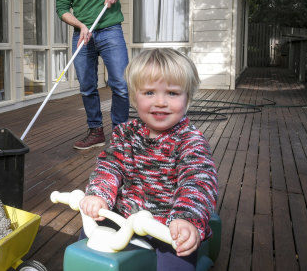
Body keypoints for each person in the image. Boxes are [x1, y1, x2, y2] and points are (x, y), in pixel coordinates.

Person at [79, 48, 218, 270]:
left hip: (167, 227)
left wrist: (186, 218)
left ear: (187, 98)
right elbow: (110, 166)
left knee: (176, 263)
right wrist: (98, 194)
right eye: (149, 93)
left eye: (172, 93)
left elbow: (198, 183)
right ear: (134, 98)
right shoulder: (126, 133)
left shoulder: (190, 140)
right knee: (88, 237)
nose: (160, 102)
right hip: (125, 217)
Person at [56, 0, 143, 149]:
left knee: (120, 84)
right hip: (82, 35)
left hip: (110, 30)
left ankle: (119, 134)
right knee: (87, 87)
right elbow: (62, 9)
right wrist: (81, 25)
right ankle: (96, 132)